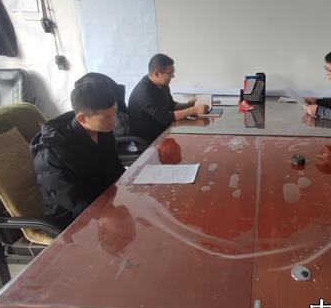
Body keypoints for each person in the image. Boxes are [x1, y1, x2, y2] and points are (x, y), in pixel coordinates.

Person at [30, 73, 125, 229]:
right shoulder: (53, 151)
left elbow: (114, 167)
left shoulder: (102, 130)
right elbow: (73, 201)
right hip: (72, 218)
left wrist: (130, 185)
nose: (113, 122)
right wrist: (108, 213)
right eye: (107, 117)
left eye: (114, 114)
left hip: (104, 198)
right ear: (82, 118)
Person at [128, 53, 209, 143]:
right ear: (157, 73)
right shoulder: (143, 91)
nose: (172, 77)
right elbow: (165, 117)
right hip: (148, 140)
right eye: (170, 74)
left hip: (164, 131)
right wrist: (194, 110)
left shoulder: (163, 85)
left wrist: (188, 105)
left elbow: (171, 105)